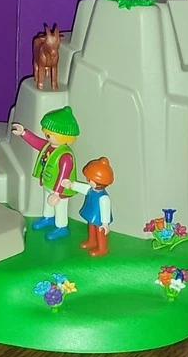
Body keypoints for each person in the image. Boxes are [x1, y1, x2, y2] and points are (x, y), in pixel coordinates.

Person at [11, 106, 79, 240]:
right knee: (47, 203)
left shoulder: (66, 156)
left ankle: (61, 226)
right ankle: (48, 218)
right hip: (48, 183)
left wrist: (57, 193)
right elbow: (37, 142)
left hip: (60, 190)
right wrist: (24, 133)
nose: (46, 136)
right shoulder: (49, 146)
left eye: (49, 134)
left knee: (59, 206)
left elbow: (63, 175)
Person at [62, 157, 114, 257]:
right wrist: (71, 185)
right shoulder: (91, 189)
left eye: (90, 180)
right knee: (91, 226)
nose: (88, 181)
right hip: (92, 214)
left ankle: (102, 248)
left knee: (100, 231)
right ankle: (92, 241)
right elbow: (82, 188)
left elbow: (105, 210)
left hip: (99, 218)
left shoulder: (104, 198)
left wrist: (105, 223)